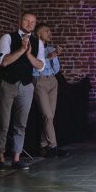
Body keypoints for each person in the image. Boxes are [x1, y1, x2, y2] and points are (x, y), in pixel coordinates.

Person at [0, 12, 45, 171]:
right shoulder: (8, 38)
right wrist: (21, 50)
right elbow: (4, 62)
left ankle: (16, 158)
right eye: (26, 20)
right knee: (3, 122)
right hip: (7, 84)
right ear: (20, 21)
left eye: (33, 22)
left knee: (21, 124)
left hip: (26, 85)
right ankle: (0, 158)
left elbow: (40, 66)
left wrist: (28, 53)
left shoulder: (38, 43)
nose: (30, 24)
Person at [33, 23, 67, 157]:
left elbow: (57, 70)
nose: (49, 33)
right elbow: (34, 67)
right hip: (39, 80)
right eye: (46, 31)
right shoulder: (33, 48)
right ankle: (53, 146)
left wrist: (54, 57)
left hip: (52, 81)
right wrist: (48, 58)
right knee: (47, 115)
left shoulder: (51, 48)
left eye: (50, 31)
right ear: (38, 33)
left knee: (49, 116)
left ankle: (43, 145)